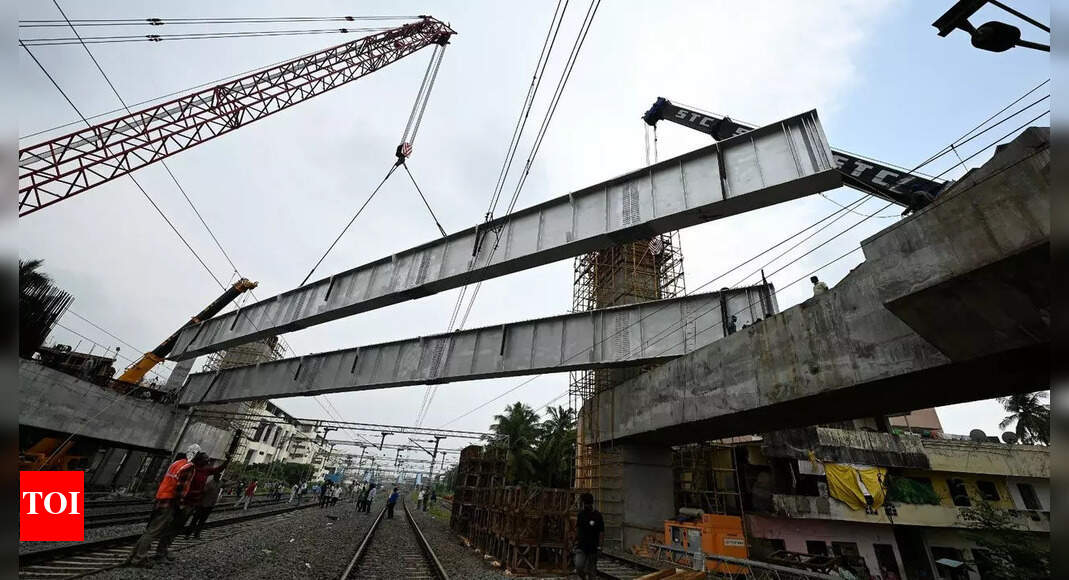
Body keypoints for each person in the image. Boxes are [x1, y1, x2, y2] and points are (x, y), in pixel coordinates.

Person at [127, 445, 199, 567]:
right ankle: (139, 558)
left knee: (150, 529)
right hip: (169, 501)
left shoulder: (177, 463)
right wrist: (180, 505)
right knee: (154, 531)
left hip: (161, 498)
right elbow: (180, 488)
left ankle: (133, 556)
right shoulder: (188, 467)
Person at [183, 450, 229, 539]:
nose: (208, 462)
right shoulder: (193, 469)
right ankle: (188, 534)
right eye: (206, 460)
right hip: (198, 502)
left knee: (200, 520)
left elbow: (219, 469)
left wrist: (227, 461)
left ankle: (195, 534)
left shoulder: (206, 472)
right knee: (193, 519)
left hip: (204, 503)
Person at [574, 492, 604, 579]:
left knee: (592, 570)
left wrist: (600, 546)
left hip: (593, 547)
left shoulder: (597, 516)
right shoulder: (581, 515)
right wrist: (575, 541)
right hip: (581, 546)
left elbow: (601, 532)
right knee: (579, 566)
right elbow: (578, 529)